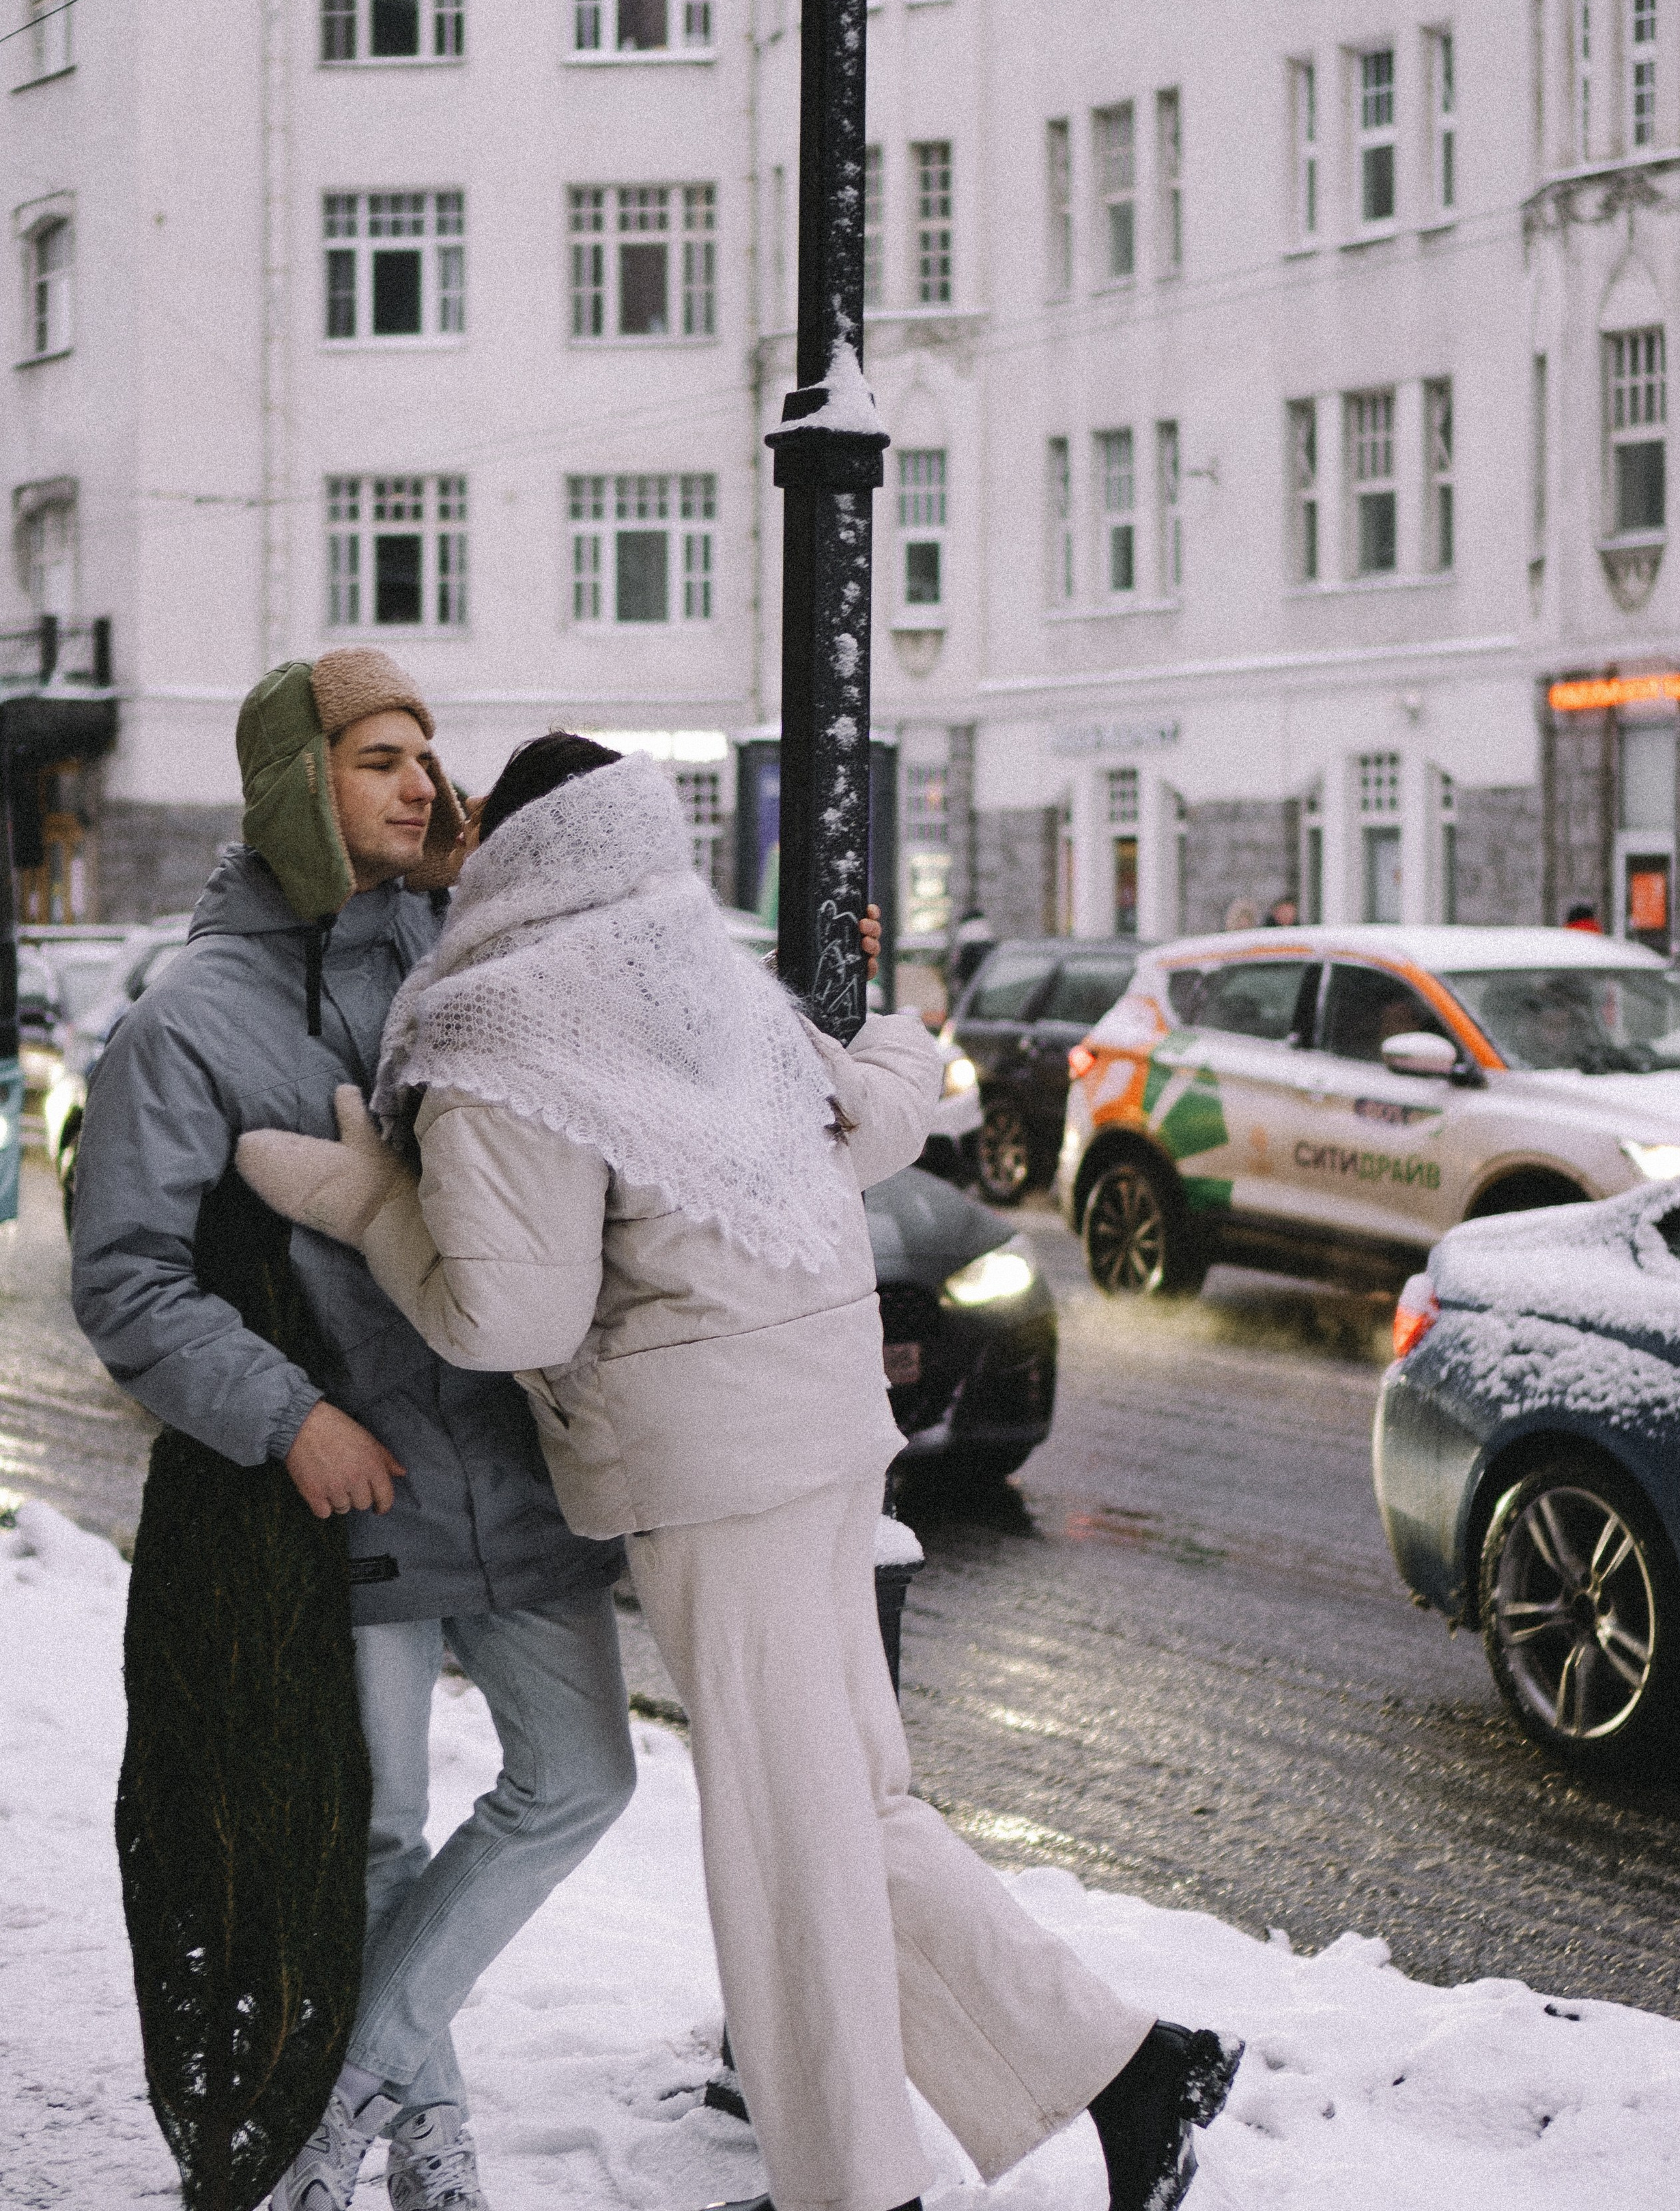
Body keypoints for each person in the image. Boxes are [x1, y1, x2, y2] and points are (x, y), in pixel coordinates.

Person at [237, 734, 1244, 2211]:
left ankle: (852, 2191)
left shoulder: (504, 1026)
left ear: (513, 854)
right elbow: (865, 1118)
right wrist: (904, 1028)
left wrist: (376, 1207)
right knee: (852, 1805)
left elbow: (504, 1311)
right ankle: (1130, 2071)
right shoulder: (697, 976)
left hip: (712, 1461)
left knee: (786, 1842)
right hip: (828, 1429)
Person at [70, 654, 639, 2211]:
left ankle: (350, 2085)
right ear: (291, 789)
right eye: (377, 757)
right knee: (379, 1825)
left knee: (584, 1777)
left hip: (512, 1468)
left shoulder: (463, 960)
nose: (418, 781)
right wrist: (291, 1417)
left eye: (426, 755)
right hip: (357, 1486)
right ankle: (421, 2138)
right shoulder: (189, 1018)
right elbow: (125, 1277)